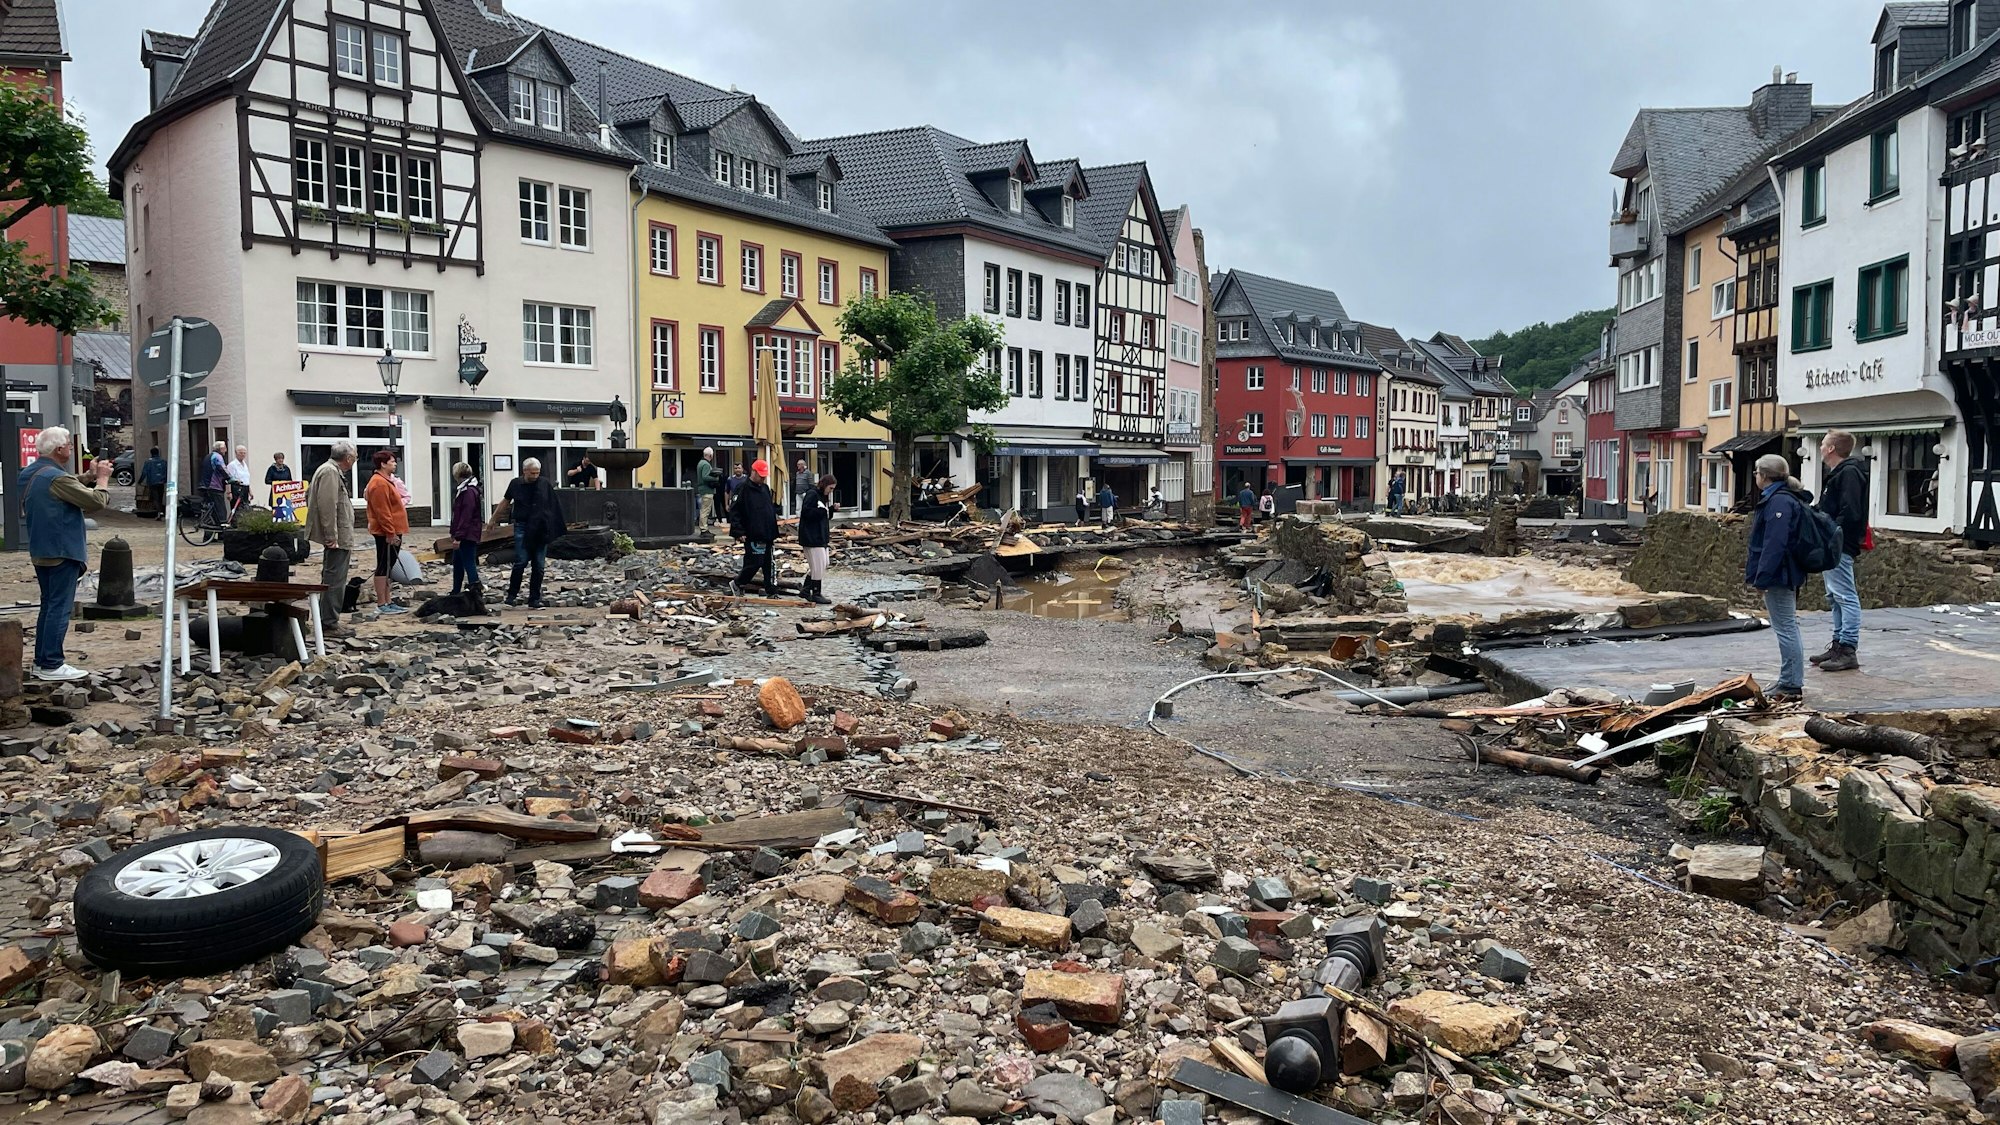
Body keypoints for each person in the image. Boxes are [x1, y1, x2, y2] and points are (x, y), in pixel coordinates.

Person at [17, 427, 112, 681]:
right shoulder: (57, 479)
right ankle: (51, 663)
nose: (71, 448)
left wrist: (88, 476)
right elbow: (96, 502)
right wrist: (101, 479)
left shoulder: (30, 473)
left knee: (48, 606)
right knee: (59, 607)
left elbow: (62, 487)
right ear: (59, 449)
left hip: (41, 549)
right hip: (62, 550)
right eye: (69, 445)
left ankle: (42, 661)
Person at [1745, 453, 1810, 704]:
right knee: (1787, 626)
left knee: (1786, 628)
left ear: (1763, 476)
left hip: (1780, 575)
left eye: (1756, 474)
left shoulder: (1778, 502)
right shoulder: (1783, 498)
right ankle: (1789, 679)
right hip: (1785, 572)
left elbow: (1775, 544)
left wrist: (1762, 578)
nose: (1755, 478)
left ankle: (1791, 683)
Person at [1813, 430, 1868, 673]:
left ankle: (1848, 648)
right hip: (1834, 541)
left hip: (1840, 543)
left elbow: (1851, 510)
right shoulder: (1840, 474)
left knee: (1845, 595)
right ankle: (1838, 644)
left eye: (1824, 444)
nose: (1821, 448)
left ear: (1832, 448)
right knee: (1834, 596)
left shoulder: (1849, 473)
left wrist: (1834, 533)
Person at [492, 459, 567, 608]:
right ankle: (512, 595)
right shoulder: (515, 484)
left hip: (540, 527)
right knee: (521, 561)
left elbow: (553, 505)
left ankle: (534, 599)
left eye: (537, 473)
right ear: (524, 471)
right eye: (532, 473)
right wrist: (493, 520)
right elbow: (505, 502)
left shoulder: (544, 484)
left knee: (539, 565)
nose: (534, 476)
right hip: (522, 526)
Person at [306, 442, 357, 634]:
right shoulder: (330, 472)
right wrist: (331, 535)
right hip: (339, 536)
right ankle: (329, 622)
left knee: (332, 576)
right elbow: (327, 505)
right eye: (355, 457)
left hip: (339, 534)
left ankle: (326, 620)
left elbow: (308, 495)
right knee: (335, 579)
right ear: (348, 458)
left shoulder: (326, 470)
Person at [363, 450, 408, 616]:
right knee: (383, 565)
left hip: (391, 530)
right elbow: (383, 512)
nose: (395, 464)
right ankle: (382, 602)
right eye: (392, 461)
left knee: (388, 566)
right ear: (383, 464)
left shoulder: (386, 481)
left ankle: (388, 601)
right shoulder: (379, 483)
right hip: (385, 532)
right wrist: (390, 532)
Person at [730, 459, 781, 596]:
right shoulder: (742, 488)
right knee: (754, 562)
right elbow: (735, 511)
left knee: (769, 564)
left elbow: (768, 508)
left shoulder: (765, 489)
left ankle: (772, 590)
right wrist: (738, 531)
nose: (763, 478)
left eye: (764, 476)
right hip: (752, 532)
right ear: (753, 472)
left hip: (767, 532)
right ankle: (738, 583)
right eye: (761, 476)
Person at [798, 473, 837, 605]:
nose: (831, 492)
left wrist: (830, 510)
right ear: (825, 485)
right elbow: (806, 512)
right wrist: (823, 511)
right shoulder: (812, 494)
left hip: (820, 536)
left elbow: (824, 516)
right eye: (830, 488)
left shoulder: (822, 497)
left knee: (823, 563)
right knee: (818, 565)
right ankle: (816, 592)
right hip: (812, 536)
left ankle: (806, 588)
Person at [449, 462, 483, 597]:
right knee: (458, 562)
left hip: (467, 534)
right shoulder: (467, 489)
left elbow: (465, 515)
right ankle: (455, 590)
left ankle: (476, 591)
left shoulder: (468, 491)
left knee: (468, 562)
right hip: (466, 533)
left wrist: (458, 536)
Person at [202, 441, 231, 526]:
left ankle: (208, 537)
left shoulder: (208, 456)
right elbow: (222, 469)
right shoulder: (217, 457)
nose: (225, 451)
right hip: (214, 486)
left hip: (206, 485)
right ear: (221, 449)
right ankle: (222, 533)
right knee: (221, 510)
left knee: (211, 512)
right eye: (225, 448)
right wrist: (231, 479)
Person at [138, 447, 167, 519]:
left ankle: (159, 512)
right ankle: (161, 512)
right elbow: (166, 471)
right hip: (161, 481)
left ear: (151, 453)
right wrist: (165, 479)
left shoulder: (148, 462)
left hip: (152, 482)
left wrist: (140, 481)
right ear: (158, 453)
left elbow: (144, 473)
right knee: (160, 497)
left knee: (155, 498)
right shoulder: (163, 461)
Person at [694, 447, 717, 527]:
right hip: (707, 490)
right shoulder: (706, 464)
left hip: (701, 489)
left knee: (703, 510)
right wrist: (715, 478)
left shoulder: (700, 463)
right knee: (705, 510)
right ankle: (704, 528)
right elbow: (705, 477)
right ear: (710, 455)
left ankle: (702, 527)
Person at [226, 445, 252, 513]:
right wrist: (229, 492)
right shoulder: (232, 465)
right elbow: (228, 479)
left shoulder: (245, 465)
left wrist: (250, 491)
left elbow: (246, 479)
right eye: (240, 452)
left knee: (245, 508)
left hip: (245, 488)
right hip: (236, 488)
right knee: (237, 508)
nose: (242, 454)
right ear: (236, 453)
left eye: (244, 453)